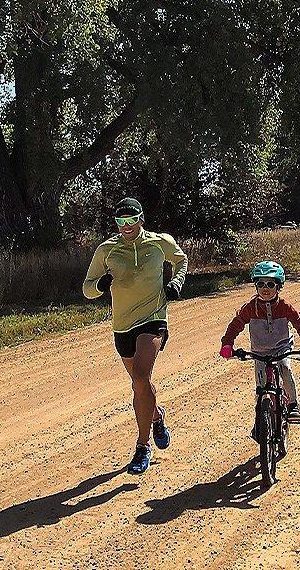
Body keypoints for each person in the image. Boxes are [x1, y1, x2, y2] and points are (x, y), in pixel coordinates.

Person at [83, 198, 188, 475]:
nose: (127, 227)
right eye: (121, 222)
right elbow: (87, 289)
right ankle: (156, 416)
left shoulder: (159, 242)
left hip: (153, 318)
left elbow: (181, 260)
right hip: (122, 326)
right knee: (141, 385)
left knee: (140, 378)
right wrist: (100, 285)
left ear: (141, 219)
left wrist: (176, 282)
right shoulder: (107, 249)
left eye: (132, 220)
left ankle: (142, 447)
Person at [219, 261, 300, 426]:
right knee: (260, 388)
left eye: (270, 284)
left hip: (282, 347)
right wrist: (227, 344)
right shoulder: (251, 307)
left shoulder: (285, 306)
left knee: (285, 368)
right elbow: (235, 324)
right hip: (260, 351)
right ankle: (260, 422)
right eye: (261, 283)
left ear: (278, 287)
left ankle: (293, 404)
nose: (265, 288)